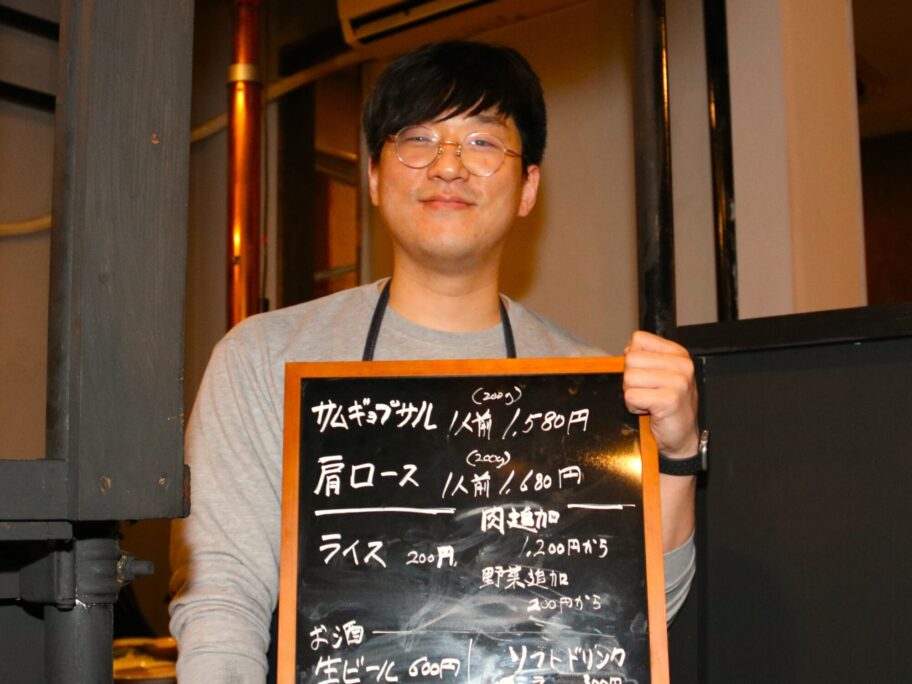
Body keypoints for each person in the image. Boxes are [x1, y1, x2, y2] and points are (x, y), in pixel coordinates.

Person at [169, 40, 698, 682]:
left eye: (482, 142)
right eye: (418, 139)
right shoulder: (261, 359)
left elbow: (635, 618)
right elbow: (220, 597)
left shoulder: (589, 387)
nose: (448, 167)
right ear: (373, 175)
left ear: (528, 187)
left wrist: (678, 454)